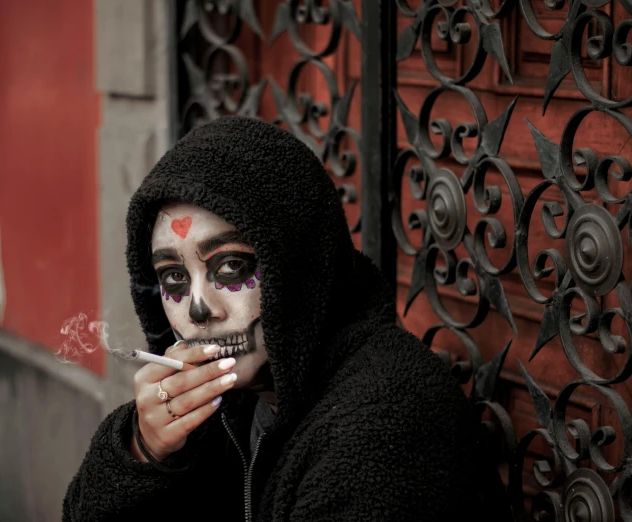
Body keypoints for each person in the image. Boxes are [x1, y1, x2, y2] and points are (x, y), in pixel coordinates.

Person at [62, 116, 505, 522]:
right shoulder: (224, 409)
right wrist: (143, 452)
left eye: (230, 267)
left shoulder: (385, 425)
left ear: (297, 266)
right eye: (174, 277)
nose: (198, 310)